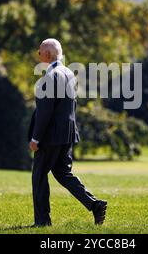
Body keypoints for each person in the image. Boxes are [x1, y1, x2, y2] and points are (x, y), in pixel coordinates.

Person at [28, 38, 107, 227]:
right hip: (67, 134)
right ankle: (95, 205)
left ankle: (42, 221)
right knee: (64, 174)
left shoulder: (49, 76)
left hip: (51, 137)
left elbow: (45, 113)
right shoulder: (69, 73)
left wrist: (35, 138)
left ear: (47, 54)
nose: (38, 55)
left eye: (40, 52)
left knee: (38, 176)